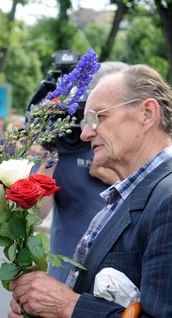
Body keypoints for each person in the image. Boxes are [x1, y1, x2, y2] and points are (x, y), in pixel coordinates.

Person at [9, 64, 172, 317]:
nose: (85, 134)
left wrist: (66, 305)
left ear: (146, 113)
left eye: (97, 117)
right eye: (84, 120)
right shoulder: (134, 193)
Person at [34, 61, 128, 283]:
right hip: (66, 279)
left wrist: (117, 179)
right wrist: (48, 155)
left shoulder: (137, 149)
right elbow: (36, 213)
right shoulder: (64, 146)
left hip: (122, 282)